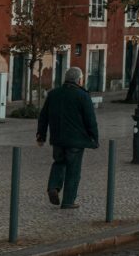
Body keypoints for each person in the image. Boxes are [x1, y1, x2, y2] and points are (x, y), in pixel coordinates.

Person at [36, 66, 99, 209]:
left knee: (59, 162)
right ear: (79, 80)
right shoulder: (83, 96)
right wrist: (94, 138)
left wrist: (41, 135)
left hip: (58, 139)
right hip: (76, 141)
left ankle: (53, 187)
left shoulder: (53, 94)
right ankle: (68, 201)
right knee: (73, 170)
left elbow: (43, 117)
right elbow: (90, 120)